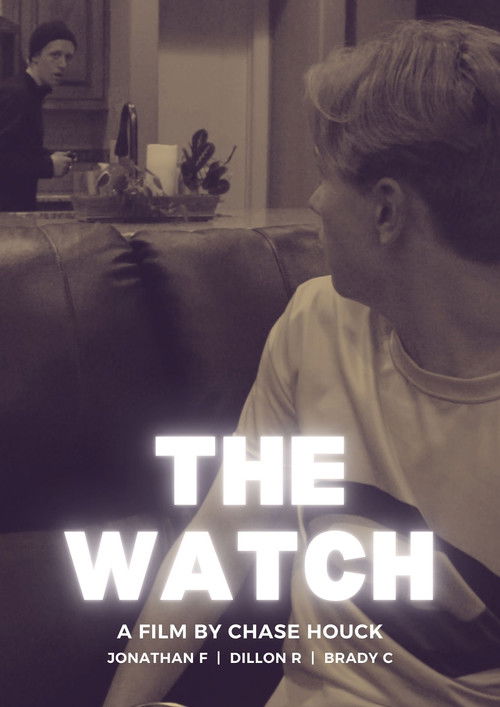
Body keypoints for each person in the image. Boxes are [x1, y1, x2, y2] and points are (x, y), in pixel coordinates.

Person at [104, 19, 500, 706]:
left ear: (386, 211)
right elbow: (222, 535)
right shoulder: (316, 320)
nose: (314, 200)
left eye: (326, 174)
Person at [0, 20, 77, 211]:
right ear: (34, 56)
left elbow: (17, 148)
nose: (63, 64)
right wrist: (47, 165)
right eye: (55, 55)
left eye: (68, 57)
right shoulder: (18, 95)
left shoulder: (28, 93)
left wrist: (47, 155)